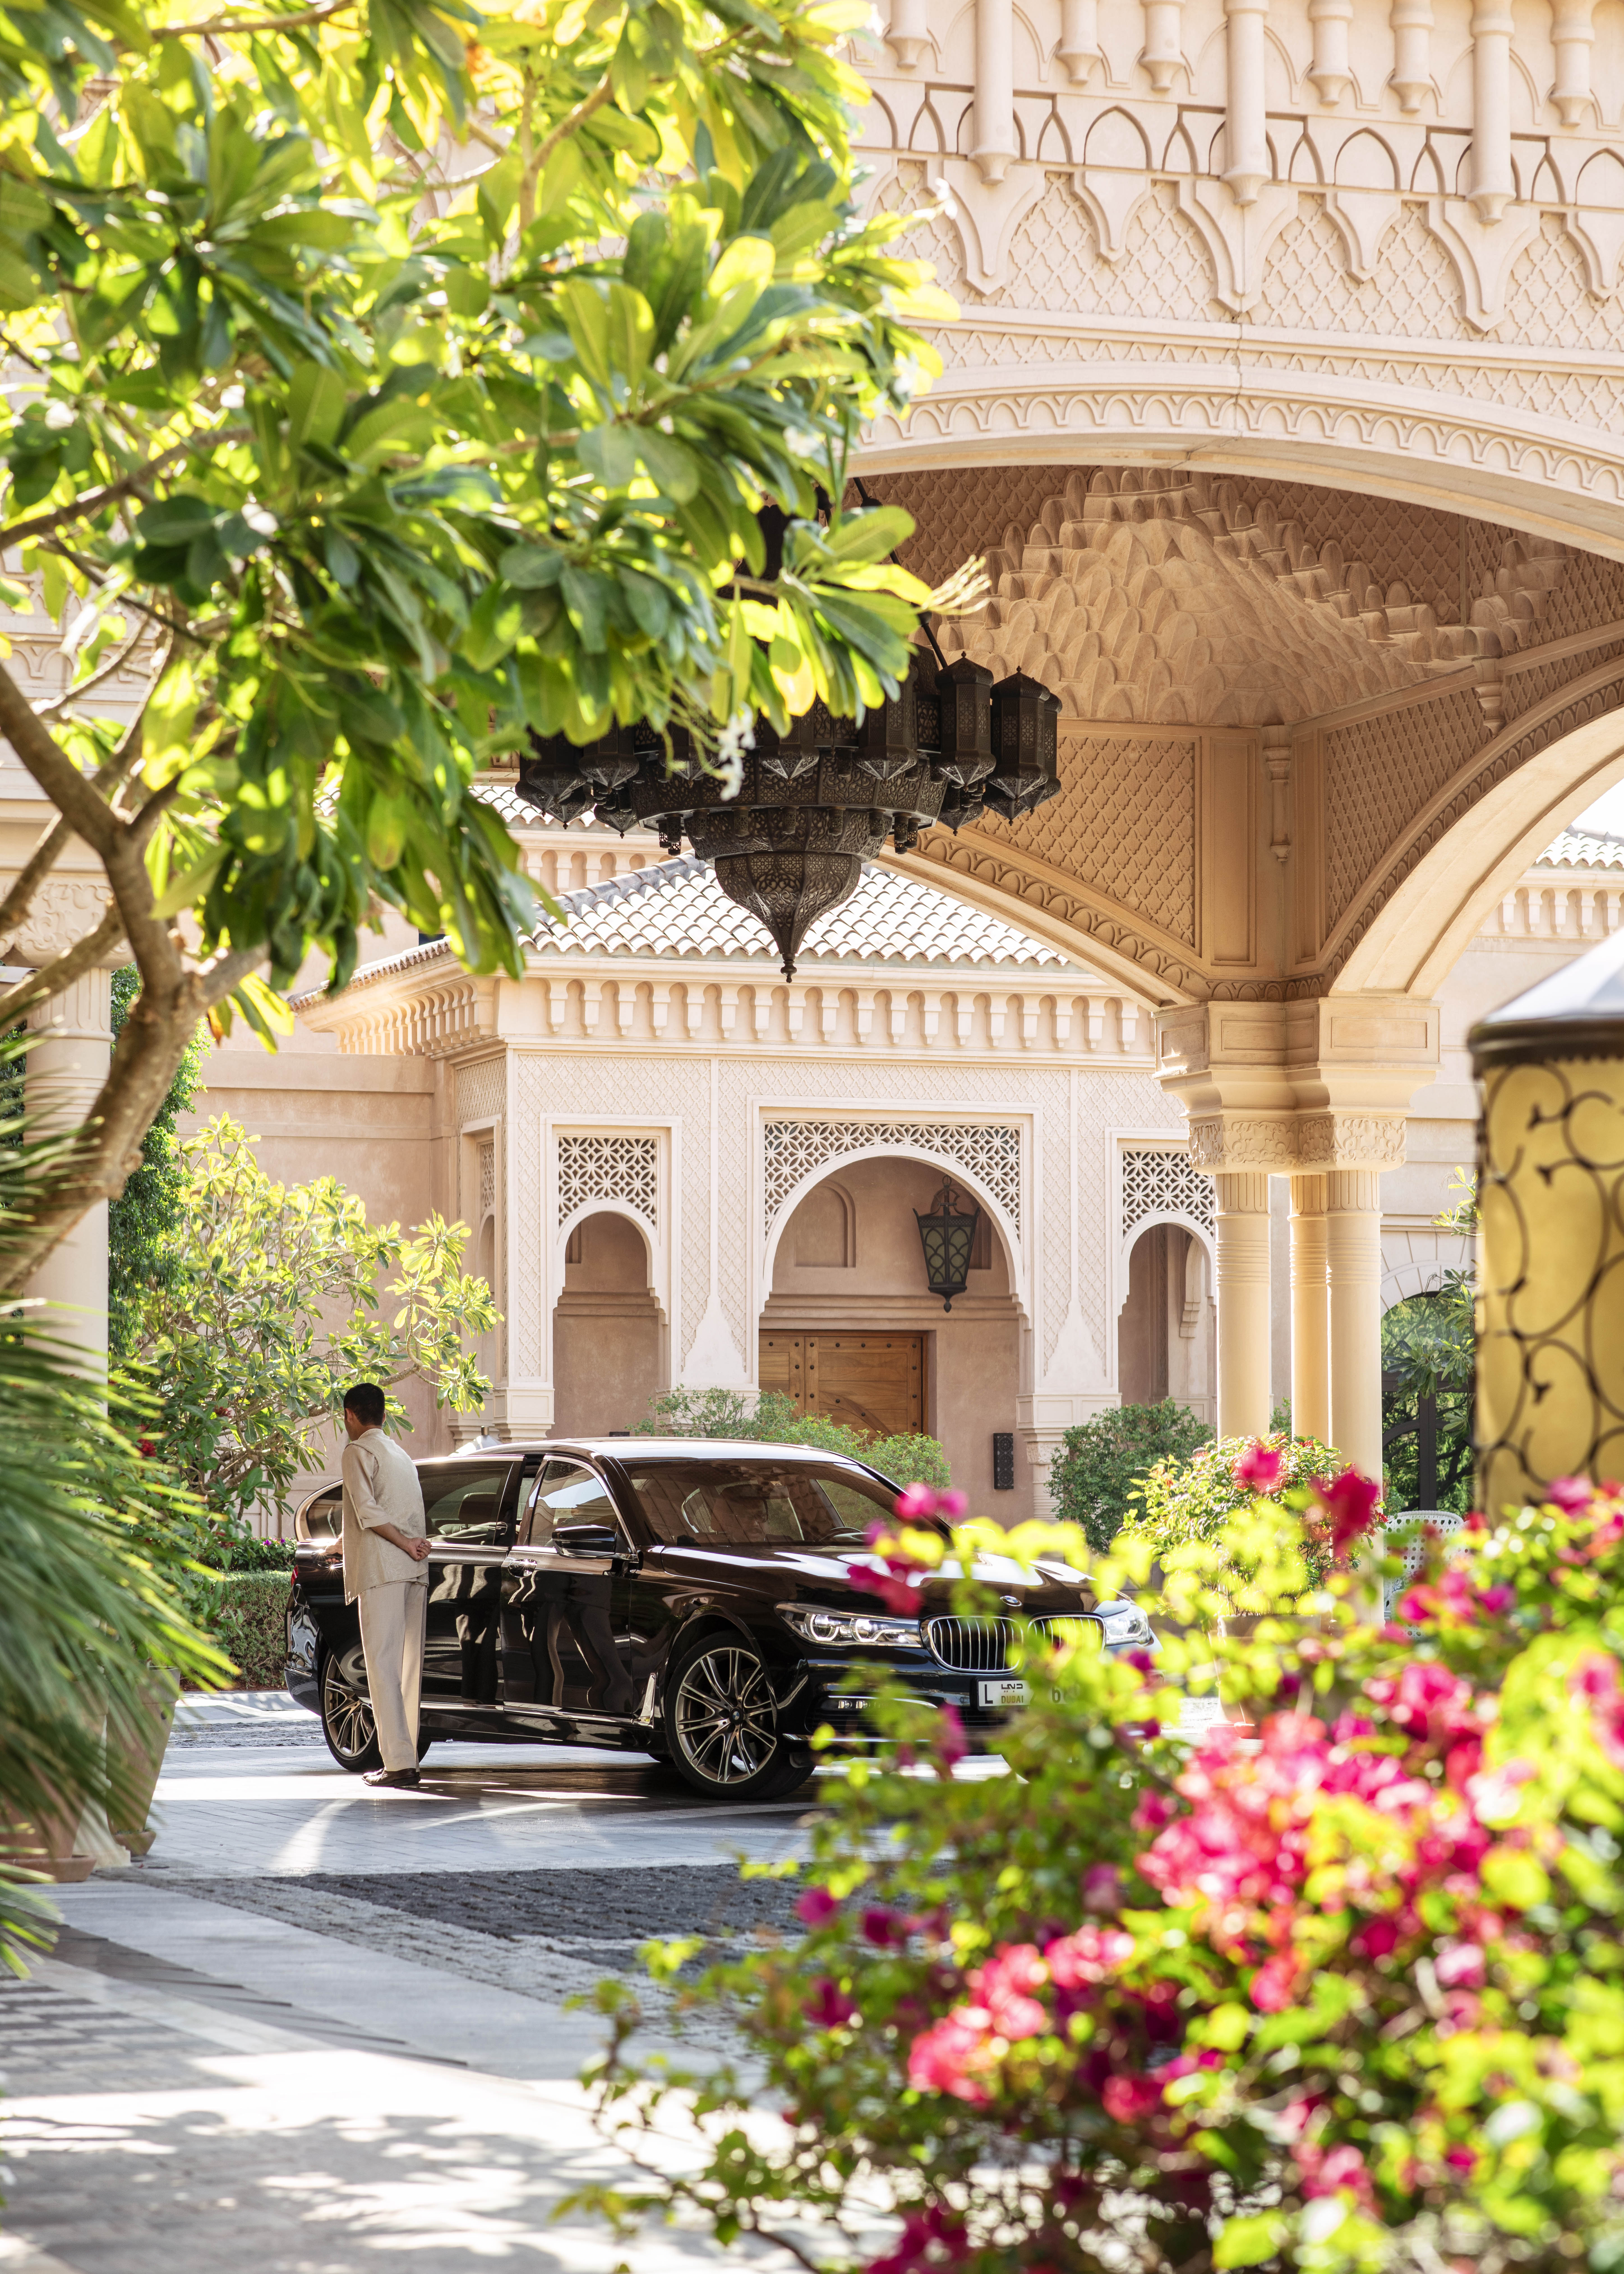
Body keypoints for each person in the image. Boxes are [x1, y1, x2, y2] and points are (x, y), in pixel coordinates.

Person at [340, 1382, 431, 1790]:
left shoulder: (357, 1451)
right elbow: (390, 1512)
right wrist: (412, 1544)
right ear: (383, 1414)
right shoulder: (401, 1454)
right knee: (407, 1669)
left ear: (350, 1415)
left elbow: (368, 1511)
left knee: (382, 1668)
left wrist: (403, 1543)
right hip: (415, 1570)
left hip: (383, 1571)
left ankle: (398, 1765)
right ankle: (405, 1757)